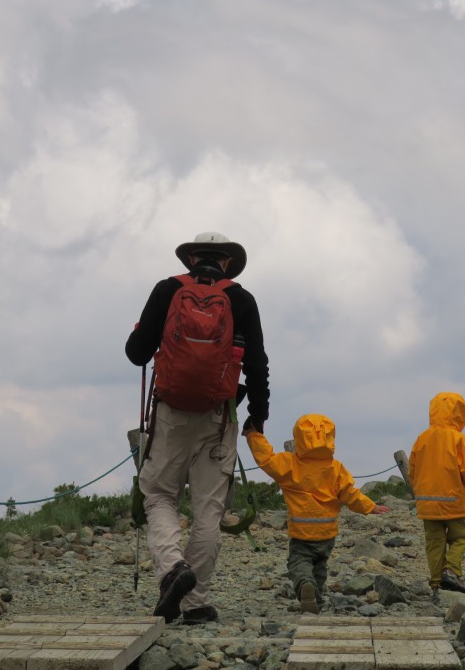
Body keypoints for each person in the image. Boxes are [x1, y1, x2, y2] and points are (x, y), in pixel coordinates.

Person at [125, 232, 270, 625]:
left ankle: (173, 568)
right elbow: (257, 363)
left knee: (158, 495)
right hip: (218, 414)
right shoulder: (242, 299)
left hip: (170, 413)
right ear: (227, 262)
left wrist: (146, 330)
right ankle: (197, 604)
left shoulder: (167, 290)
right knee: (208, 508)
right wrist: (259, 415)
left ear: (190, 259)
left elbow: (136, 353)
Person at [243, 414, 390, 614]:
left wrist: (253, 435)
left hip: (301, 531)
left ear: (299, 438)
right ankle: (316, 600)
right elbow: (350, 493)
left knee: (299, 562)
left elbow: (266, 458)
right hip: (327, 532)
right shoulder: (335, 468)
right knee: (320, 566)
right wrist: (370, 506)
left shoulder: (289, 464)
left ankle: (305, 585)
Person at [408, 392, 465, 598]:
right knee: (460, 537)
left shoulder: (421, 439)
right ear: (459, 413)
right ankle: (452, 570)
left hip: (427, 503)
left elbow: (412, 472)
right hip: (453, 500)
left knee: (434, 543)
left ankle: (436, 585)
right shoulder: (459, 439)